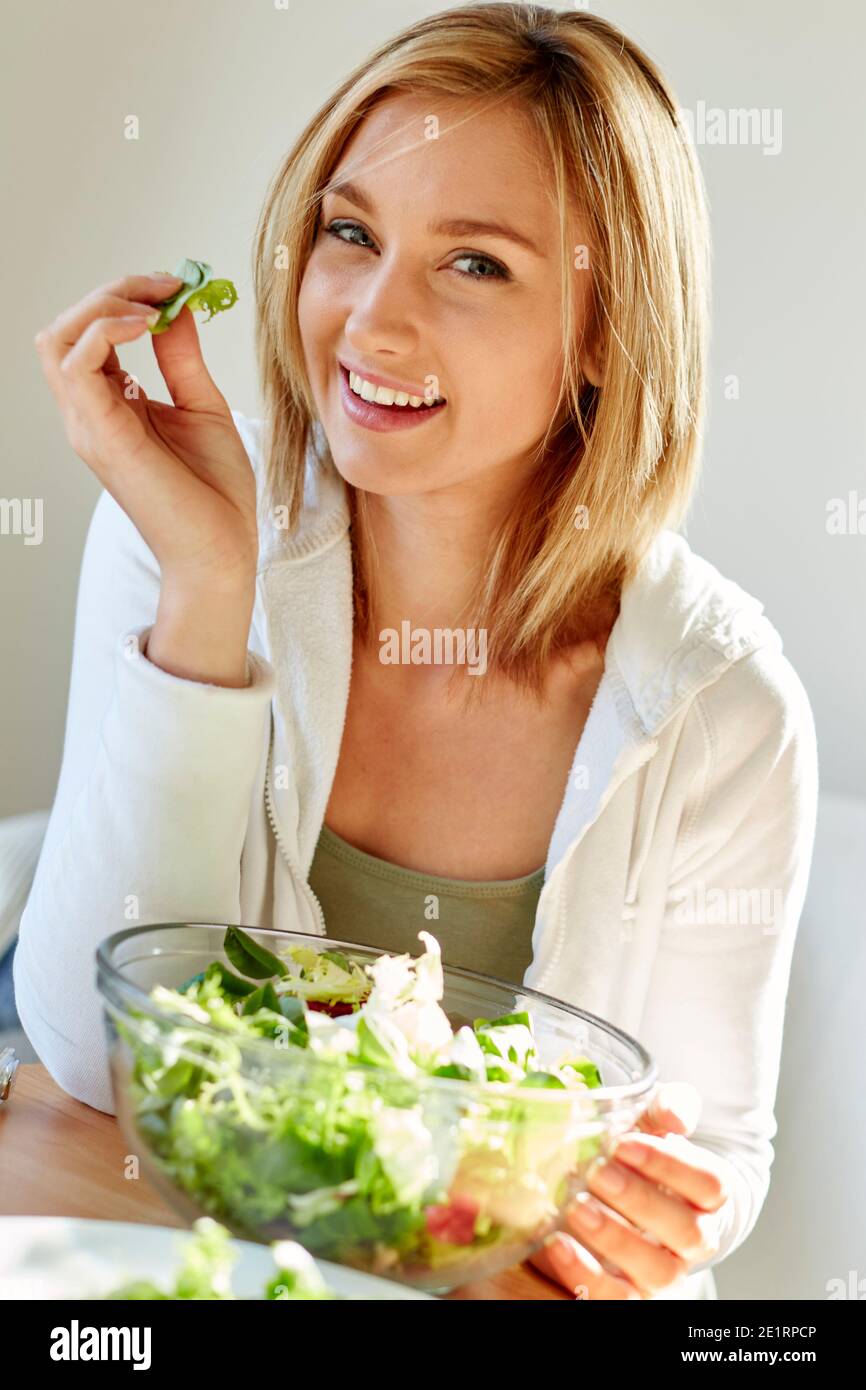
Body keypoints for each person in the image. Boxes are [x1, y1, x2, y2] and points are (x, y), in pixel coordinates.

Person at [16, 4, 818, 1300]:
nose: (369, 323)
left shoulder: (720, 712)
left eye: (476, 265)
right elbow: (84, 1053)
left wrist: (658, 1200)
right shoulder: (190, 528)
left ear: (611, 328)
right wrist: (207, 595)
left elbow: (699, 1163)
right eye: (350, 233)